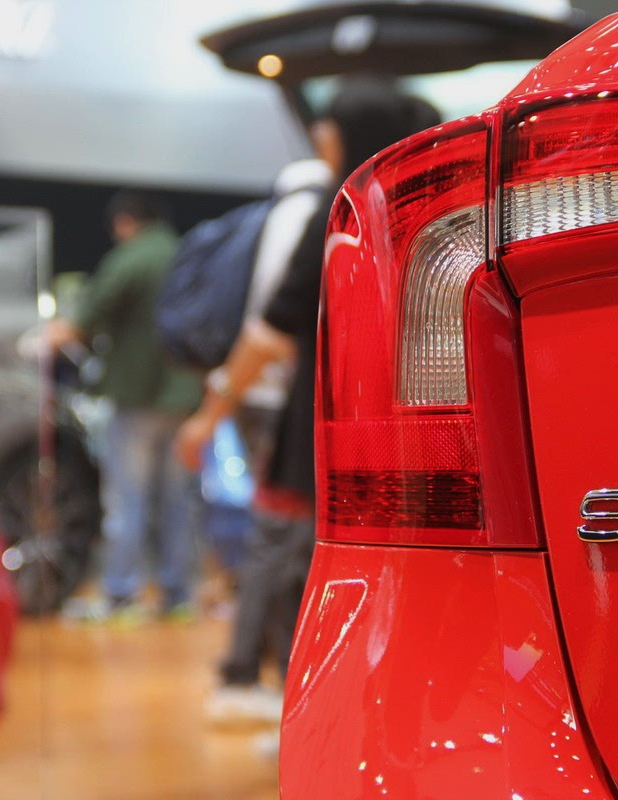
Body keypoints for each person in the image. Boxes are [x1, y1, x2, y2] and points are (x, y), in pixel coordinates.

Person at [174, 77, 440, 729]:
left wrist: (211, 413)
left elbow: (272, 324)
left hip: (325, 418)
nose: (321, 141)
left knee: (297, 555)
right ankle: (360, 704)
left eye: (329, 131)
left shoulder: (339, 208)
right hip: (405, 418)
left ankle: (287, 698)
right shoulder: (420, 205)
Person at [48, 190, 203, 621]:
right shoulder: (187, 255)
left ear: (124, 222)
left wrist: (53, 335)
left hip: (137, 398)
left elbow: (85, 318)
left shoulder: (131, 258)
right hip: (185, 399)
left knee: (127, 500)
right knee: (177, 502)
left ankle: (121, 595)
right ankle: (178, 595)